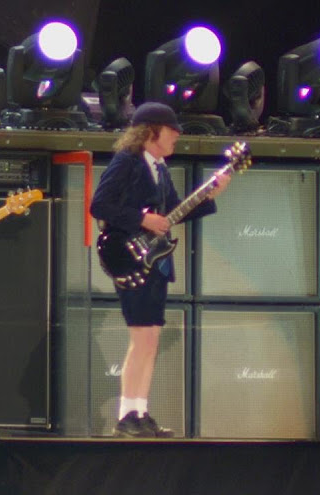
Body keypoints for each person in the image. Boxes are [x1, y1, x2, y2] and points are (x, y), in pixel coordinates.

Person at [90, 102, 230, 438]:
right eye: (172, 129)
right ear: (151, 131)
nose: (177, 135)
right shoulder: (127, 161)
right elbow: (100, 204)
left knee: (150, 339)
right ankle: (126, 416)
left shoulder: (161, 168)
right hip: (129, 255)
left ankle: (140, 411)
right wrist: (142, 219)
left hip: (155, 259)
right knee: (141, 338)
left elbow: (174, 213)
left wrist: (210, 195)